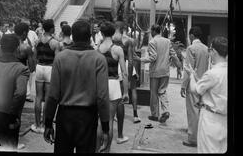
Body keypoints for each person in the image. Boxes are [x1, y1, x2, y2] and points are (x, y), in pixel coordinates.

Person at [43, 20, 110, 153]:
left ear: (72, 35)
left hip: (65, 115)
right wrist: (105, 128)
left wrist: (48, 123)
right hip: (87, 117)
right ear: (90, 36)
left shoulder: (61, 58)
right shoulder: (99, 59)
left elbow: (52, 95)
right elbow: (102, 97)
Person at [185, 36, 227, 153]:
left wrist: (192, 75)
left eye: (210, 50)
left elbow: (195, 89)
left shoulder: (213, 73)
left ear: (213, 51)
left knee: (206, 150)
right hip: (224, 119)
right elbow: (208, 86)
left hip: (210, 119)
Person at [0, 34, 30, 151]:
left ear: (0, 47)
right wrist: (12, 116)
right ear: (17, 48)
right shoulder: (21, 69)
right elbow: (21, 93)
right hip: (8, 117)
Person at [136, 24, 181, 123]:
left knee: (153, 94)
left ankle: (155, 115)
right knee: (162, 91)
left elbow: (153, 57)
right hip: (165, 71)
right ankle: (166, 111)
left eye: (150, 31)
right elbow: (173, 55)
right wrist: (179, 66)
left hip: (155, 71)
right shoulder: (167, 41)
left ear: (153, 31)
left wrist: (140, 59)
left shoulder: (152, 42)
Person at [96, 21, 129, 152]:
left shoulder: (97, 49)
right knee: (109, 120)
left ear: (102, 33)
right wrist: (125, 92)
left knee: (99, 121)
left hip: (100, 84)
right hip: (114, 85)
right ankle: (107, 150)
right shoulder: (117, 49)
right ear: (113, 33)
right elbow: (124, 73)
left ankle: (97, 148)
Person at [180, 26, 209, 147]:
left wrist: (183, 85)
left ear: (192, 36)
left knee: (192, 111)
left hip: (193, 83)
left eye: (189, 35)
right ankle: (199, 135)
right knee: (200, 110)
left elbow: (188, 69)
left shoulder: (191, 48)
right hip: (204, 83)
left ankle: (192, 138)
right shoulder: (206, 48)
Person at [31, 19, 61, 134]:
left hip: (39, 67)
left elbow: (34, 57)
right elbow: (57, 61)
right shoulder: (55, 43)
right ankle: (44, 125)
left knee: (38, 97)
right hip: (49, 68)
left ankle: (37, 124)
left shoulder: (38, 41)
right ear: (52, 28)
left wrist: (33, 68)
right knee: (48, 98)